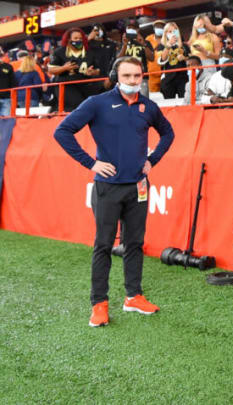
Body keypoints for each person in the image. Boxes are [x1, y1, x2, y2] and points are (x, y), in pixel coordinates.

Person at [53, 56, 175, 328]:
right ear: (116, 76)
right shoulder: (98, 103)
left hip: (139, 187)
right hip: (107, 188)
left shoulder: (148, 106)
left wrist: (152, 160)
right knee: (104, 245)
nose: (134, 81)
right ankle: (99, 304)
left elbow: (168, 133)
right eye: (128, 76)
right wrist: (91, 163)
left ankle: (133, 296)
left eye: (138, 76)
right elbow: (62, 131)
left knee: (134, 243)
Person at [48, 28, 102, 112]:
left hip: (85, 84)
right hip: (66, 85)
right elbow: (51, 70)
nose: (78, 41)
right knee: (77, 106)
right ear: (69, 39)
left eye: (80, 38)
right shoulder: (60, 52)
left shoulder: (89, 53)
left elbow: (98, 70)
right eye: (75, 38)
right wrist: (64, 68)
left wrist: (92, 72)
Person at [116, 20, 154, 97]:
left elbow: (151, 58)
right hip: (126, 77)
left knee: (143, 102)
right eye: (129, 27)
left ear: (138, 30)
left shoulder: (145, 42)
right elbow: (118, 60)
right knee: (127, 101)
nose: (131, 29)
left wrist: (143, 44)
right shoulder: (123, 43)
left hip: (141, 77)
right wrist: (125, 45)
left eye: (134, 28)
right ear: (126, 29)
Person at [156, 22, 190, 99]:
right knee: (169, 101)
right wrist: (168, 45)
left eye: (174, 31)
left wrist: (184, 58)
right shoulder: (161, 46)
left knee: (184, 100)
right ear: (165, 33)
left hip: (182, 77)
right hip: (168, 78)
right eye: (170, 31)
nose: (172, 33)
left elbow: (190, 59)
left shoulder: (184, 46)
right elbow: (161, 60)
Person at [145, 19, 166, 93]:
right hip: (152, 73)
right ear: (154, 28)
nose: (159, 28)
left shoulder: (168, 39)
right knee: (153, 96)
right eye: (157, 27)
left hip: (165, 73)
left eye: (161, 27)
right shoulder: (148, 39)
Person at [0, 51, 16, 116]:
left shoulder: (8, 67)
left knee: (7, 120)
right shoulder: (8, 67)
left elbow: (13, 82)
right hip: (6, 97)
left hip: (6, 98)